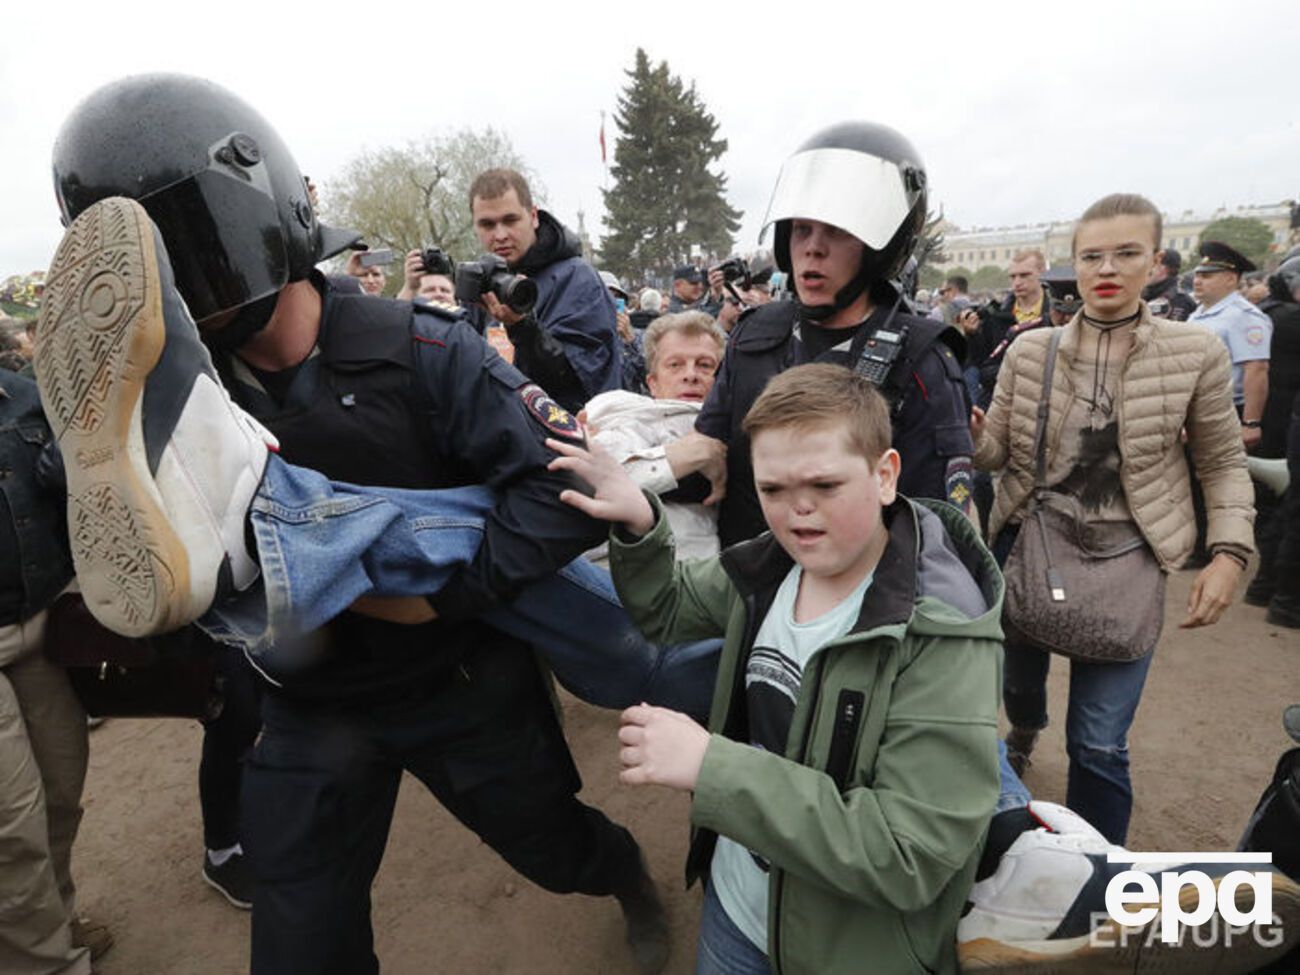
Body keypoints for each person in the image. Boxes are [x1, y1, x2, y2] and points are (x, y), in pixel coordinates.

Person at [45, 74, 667, 975]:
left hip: (454, 679)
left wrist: (443, 598)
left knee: (559, 852)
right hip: (310, 708)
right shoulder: (171, 402)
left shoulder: (423, 348)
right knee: (300, 946)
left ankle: (628, 876)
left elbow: (559, 488)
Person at [550, 363, 1002, 975]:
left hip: (848, 946)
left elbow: (909, 853)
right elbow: (669, 607)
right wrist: (641, 520)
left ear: (886, 474)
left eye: (825, 485)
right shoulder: (769, 568)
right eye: (773, 491)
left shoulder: (940, 631)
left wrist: (714, 767)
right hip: (737, 909)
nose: (798, 513)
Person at [971, 192, 1255, 844]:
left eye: (1126, 253)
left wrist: (1228, 553)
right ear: (1071, 264)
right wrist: (973, 437)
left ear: (1155, 263)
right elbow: (999, 456)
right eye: (1092, 255)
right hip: (1031, 543)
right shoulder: (1030, 351)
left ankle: (1097, 877)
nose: (1107, 268)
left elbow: (1222, 462)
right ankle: (1026, 729)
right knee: (1019, 686)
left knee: (1098, 743)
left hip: (1128, 556)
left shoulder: (1196, 353)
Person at [681, 121, 975, 549]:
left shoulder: (923, 362)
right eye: (802, 229)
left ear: (883, 246)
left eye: (836, 231)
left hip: (863, 605)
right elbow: (708, 455)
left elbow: (937, 534)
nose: (812, 248)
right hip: (746, 594)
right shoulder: (753, 335)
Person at [0, 369, 112, 975]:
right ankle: (43, 964)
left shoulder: (24, 394)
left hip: (45, 623)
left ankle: (53, 924)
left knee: (60, 792)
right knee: (9, 820)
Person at [581, 311, 726, 566]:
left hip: (682, 576)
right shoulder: (620, 413)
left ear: (723, 380)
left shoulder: (733, 428)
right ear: (653, 383)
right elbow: (589, 480)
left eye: (705, 365)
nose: (690, 375)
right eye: (675, 365)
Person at [469, 168, 621, 413]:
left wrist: (521, 327)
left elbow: (582, 380)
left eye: (510, 220)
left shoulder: (577, 279)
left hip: (566, 439)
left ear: (533, 216)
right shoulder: (480, 284)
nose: (500, 235)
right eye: (487, 224)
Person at [1189, 240, 1272, 448]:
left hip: (1226, 410)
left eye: (1207, 276)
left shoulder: (1243, 316)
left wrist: (1250, 422)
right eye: (1197, 275)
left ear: (1230, 279)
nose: (1197, 281)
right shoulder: (1199, 313)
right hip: (1196, 408)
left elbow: (1256, 368)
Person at [1142, 247, 1196, 321]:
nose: (1146, 270)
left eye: (1154, 264)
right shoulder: (1144, 293)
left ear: (1166, 268)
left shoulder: (1179, 301)